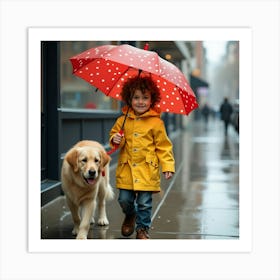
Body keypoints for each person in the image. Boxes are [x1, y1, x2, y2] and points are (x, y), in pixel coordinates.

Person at [109, 76, 175, 239]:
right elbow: (115, 139)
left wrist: (167, 165)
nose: (140, 102)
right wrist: (116, 139)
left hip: (147, 170)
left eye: (145, 98)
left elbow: (163, 146)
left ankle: (142, 229)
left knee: (144, 203)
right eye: (136, 97)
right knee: (124, 200)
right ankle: (130, 215)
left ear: (152, 100)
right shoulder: (122, 120)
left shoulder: (156, 123)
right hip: (127, 169)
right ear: (129, 99)